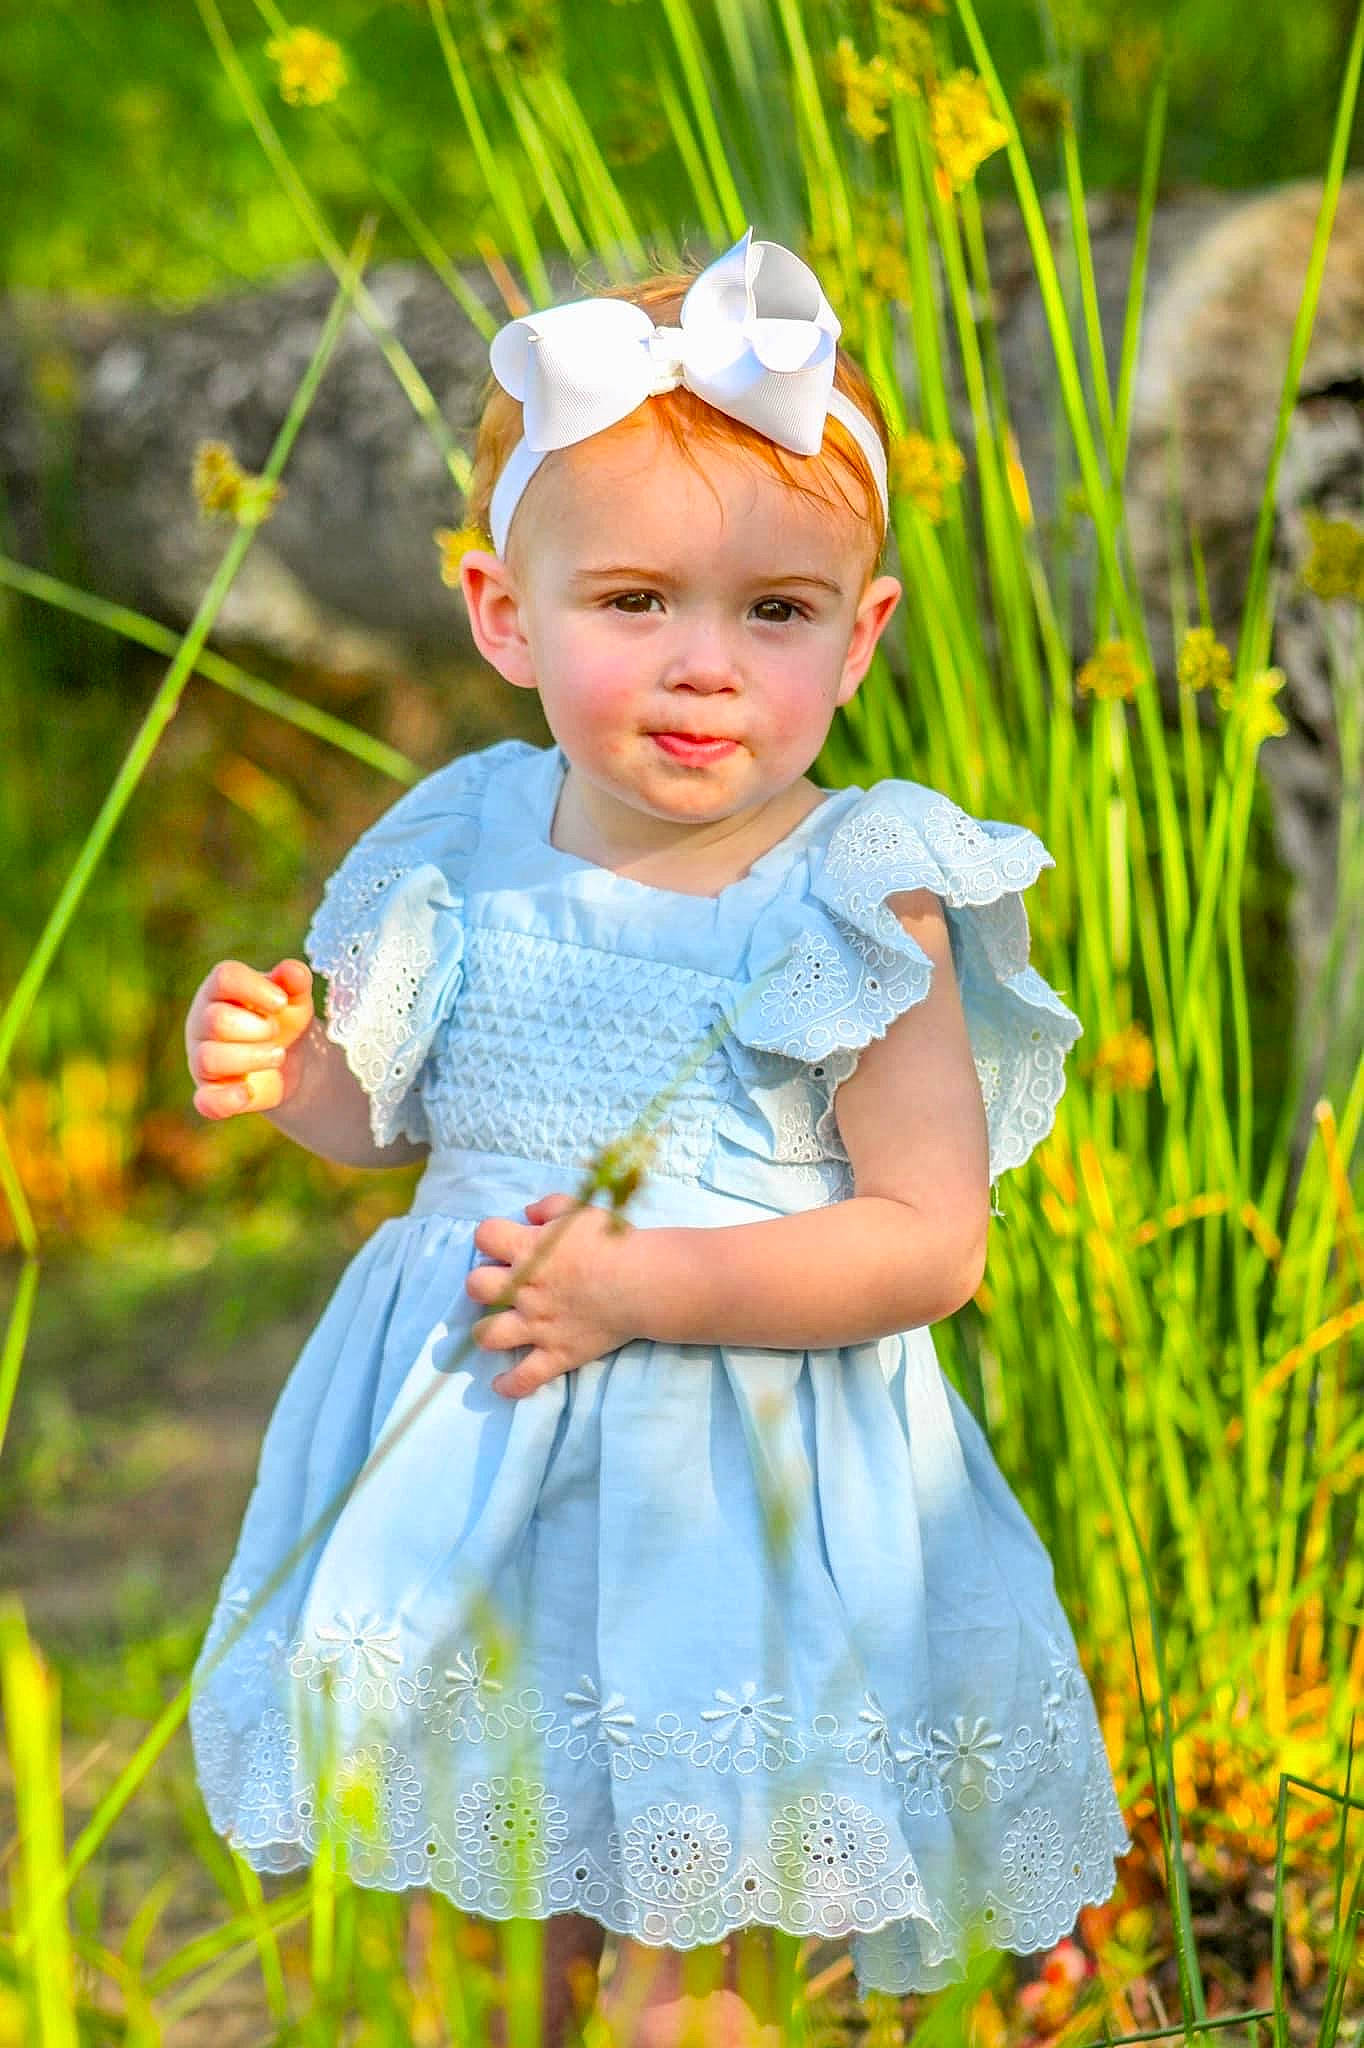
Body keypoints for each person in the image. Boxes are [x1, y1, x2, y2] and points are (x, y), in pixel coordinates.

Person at [184, 229, 1130, 2047]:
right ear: (504, 615)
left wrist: (641, 1286)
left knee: (688, 1957)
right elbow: (392, 1125)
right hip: (473, 1471)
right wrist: (289, 1071)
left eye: (774, 612)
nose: (706, 666)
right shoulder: (460, 838)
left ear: (859, 637)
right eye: (634, 602)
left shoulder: (863, 891)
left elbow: (931, 1239)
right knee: (471, 1935)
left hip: (731, 1506)